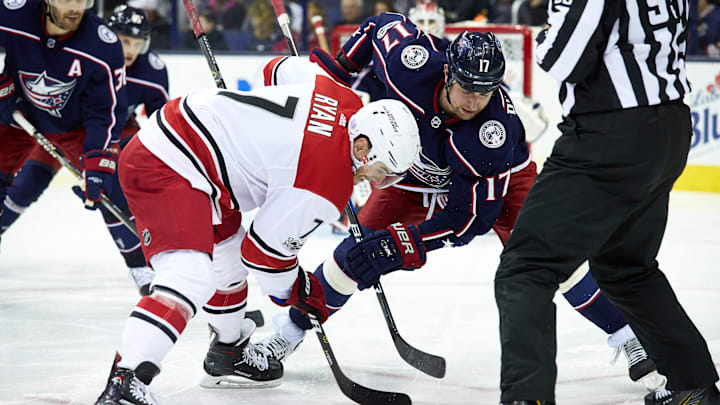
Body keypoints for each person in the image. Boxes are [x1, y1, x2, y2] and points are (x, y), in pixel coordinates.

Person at [258, 12, 665, 391]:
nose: (474, 102)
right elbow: (380, 25)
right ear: (448, 71)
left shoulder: (493, 134)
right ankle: (286, 333)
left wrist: (404, 243)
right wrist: (340, 72)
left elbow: (471, 220)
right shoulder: (411, 63)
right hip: (413, 175)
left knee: (552, 257)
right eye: (468, 88)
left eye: (486, 92)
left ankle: (629, 334)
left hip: (500, 187)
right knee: (356, 252)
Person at [93, 56, 422, 404]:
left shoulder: (342, 96)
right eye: (382, 171)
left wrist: (260, 131)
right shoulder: (326, 184)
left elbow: (275, 69)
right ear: (362, 147)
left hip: (190, 147)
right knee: (188, 275)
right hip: (170, 163)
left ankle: (227, 352)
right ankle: (124, 381)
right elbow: (264, 254)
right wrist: (300, 290)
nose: (376, 181)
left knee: (228, 257)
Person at [494, 0, 720, 404]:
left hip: (610, 133)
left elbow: (561, 57)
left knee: (526, 267)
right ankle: (693, 387)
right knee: (625, 267)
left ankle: (527, 398)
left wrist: (549, 32)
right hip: (668, 127)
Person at [0, 4, 168, 295]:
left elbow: (146, 121)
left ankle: (139, 265)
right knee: (24, 188)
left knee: (110, 185)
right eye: (126, 40)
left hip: (86, 130)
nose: (130, 49)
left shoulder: (139, 67)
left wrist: (100, 162)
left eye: (137, 43)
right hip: (33, 116)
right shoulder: (18, 16)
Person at [0, 0, 127, 249]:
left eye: (82, 0)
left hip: (76, 128)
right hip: (18, 115)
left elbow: (104, 112)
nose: (75, 8)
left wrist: (98, 161)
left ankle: (143, 271)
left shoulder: (103, 45)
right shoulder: (13, 13)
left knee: (115, 188)